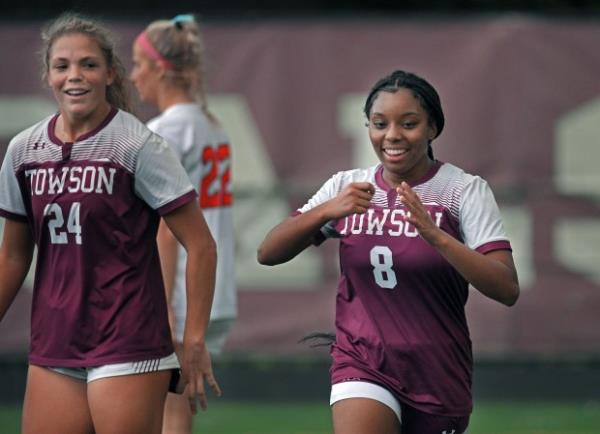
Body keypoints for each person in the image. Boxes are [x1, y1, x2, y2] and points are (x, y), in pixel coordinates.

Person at [257, 70, 520, 434]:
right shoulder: (348, 186)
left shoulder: (462, 190)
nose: (392, 135)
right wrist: (326, 210)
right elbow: (268, 252)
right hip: (362, 359)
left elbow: (506, 288)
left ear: (433, 129)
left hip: (437, 369)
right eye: (379, 124)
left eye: (408, 123)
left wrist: (436, 236)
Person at [0, 12, 221, 434]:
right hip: (54, 342)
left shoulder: (137, 144)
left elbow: (201, 245)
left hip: (129, 340)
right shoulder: (23, 151)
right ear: (47, 76)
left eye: (88, 64)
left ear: (110, 73)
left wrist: (194, 339)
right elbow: (12, 255)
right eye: (62, 66)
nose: (74, 76)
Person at [130, 14, 237, 434]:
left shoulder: (163, 131)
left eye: (139, 63)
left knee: (168, 410)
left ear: (159, 67)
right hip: (215, 288)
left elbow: (167, 229)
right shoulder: (212, 125)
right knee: (176, 409)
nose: (134, 74)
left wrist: (171, 312)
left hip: (179, 292)